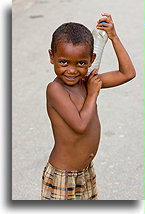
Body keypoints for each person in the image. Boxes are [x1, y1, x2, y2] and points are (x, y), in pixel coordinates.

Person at [41, 13, 136, 200]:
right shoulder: (55, 89)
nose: (72, 70)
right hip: (64, 177)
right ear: (52, 57)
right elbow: (80, 125)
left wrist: (114, 37)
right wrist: (92, 93)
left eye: (81, 63)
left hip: (85, 173)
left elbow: (128, 73)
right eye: (63, 62)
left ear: (92, 60)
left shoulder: (86, 81)